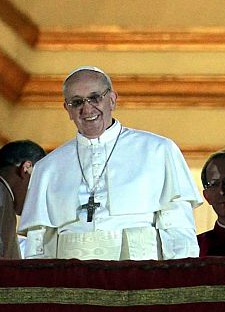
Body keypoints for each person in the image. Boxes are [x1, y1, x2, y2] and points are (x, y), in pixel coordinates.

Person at [19, 66, 202, 260]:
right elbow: (38, 243)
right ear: (68, 109)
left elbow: (178, 227)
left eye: (95, 97)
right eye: (77, 102)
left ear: (112, 100)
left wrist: (180, 278)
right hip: (73, 280)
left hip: (140, 274)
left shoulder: (158, 150)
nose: (87, 109)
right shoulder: (48, 167)